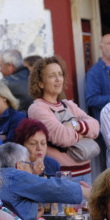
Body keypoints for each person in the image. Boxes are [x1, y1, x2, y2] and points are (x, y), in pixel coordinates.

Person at [27, 55, 100, 183]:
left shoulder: (68, 104)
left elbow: (96, 127)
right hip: (63, 174)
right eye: (52, 76)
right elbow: (63, 138)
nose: (58, 79)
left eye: (60, 74)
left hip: (86, 171)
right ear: (40, 83)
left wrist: (75, 126)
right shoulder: (38, 108)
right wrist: (84, 134)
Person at [0, 141, 90, 220]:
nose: (31, 170)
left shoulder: (0, 176)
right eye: (29, 164)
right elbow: (52, 187)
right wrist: (85, 191)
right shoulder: (15, 176)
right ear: (19, 165)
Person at [85, 34, 110, 120]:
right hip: (108, 122)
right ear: (101, 48)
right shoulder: (94, 72)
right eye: (109, 43)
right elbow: (91, 100)